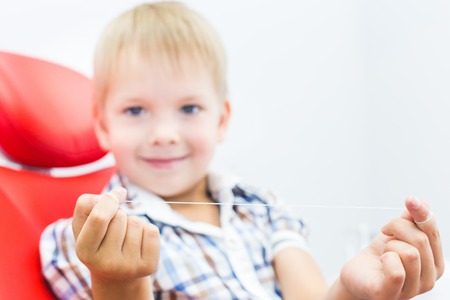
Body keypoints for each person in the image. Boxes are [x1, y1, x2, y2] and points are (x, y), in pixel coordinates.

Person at [40, 2, 445, 299]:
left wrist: (352, 292)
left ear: (221, 119)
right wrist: (116, 281)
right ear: (102, 124)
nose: (163, 133)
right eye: (135, 110)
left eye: (189, 108)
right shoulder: (83, 240)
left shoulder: (260, 207)